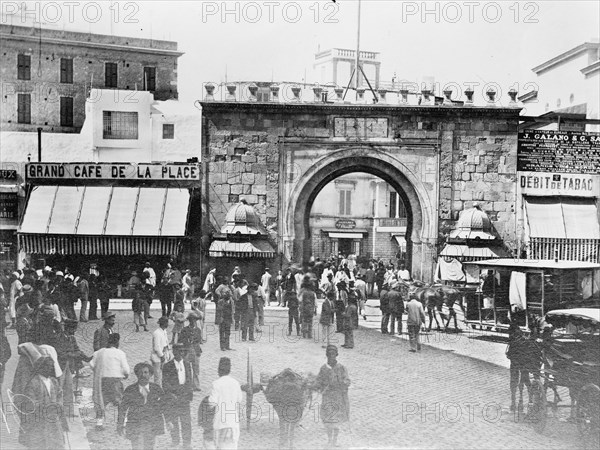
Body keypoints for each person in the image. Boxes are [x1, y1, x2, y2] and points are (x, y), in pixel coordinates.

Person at [20, 355, 68, 449]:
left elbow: (59, 395)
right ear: (41, 367)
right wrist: (45, 407)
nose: (50, 368)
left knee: (57, 443)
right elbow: (30, 402)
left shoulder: (53, 381)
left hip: (53, 419)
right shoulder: (33, 383)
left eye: (51, 366)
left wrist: (58, 405)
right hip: (38, 421)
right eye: (48, 366)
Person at [118, 362, 166, 449]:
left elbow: (164, 405)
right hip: (135, 423)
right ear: (137, 375)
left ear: (150, 374)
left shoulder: (156, 388)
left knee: (149, 446)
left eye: (145, 372)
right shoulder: (130, 389)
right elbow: (122, 408)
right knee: (136, 447)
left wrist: (169, 420)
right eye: (140, 373)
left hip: (151, 424)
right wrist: (120, 424)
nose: (143, 375)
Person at [312, 345, 351, 448]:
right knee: (329, 420)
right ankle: (329, 440)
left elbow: (347, 380)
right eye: (329, 354)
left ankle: (335, 440)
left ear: (336, 355)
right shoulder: (324, 368)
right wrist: (315, 386)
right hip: (327, 397)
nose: (331, 356)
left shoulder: (341, 368)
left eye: (333, 354)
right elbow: (318, 380)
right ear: (327, 355)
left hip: (338, 397)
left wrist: (340, 383)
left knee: (337, 420)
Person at [90, 333, 130, 430]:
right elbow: (126, 369)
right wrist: (126, 375)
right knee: (121, 402)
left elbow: (91, 364)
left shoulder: (99, 352)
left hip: (103, 381)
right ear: (117, 342)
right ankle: (121, 422)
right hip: (115, 381)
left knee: (102, 401)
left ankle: (99, 423)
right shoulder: (120, 353)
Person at [163, 343, 194, 449]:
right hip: (173, 396)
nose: (180, 353)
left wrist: (188, 393)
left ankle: (187, 442)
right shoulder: (167, 366)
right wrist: (171, 394)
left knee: (186, 421)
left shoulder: (187, 364)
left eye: (182, 351)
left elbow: (189, 379)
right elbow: (165, 382)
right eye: (178, 351)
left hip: (184, 396)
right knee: (174, 419)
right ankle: (175, 440)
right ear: (173, 352)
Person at [208, 357, 243, 449]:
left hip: (220, 423)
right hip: (233, 423)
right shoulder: (235, 383)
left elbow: (212, 403)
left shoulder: (216, 384)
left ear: (218, 369)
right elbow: (239, 399)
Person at [178, 311, 203, 391]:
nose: (193, 322)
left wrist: (195, 341)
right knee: (187, 369)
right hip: (187, 350)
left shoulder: (198, 330)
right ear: (189, 321)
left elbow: (199, 340)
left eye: (195, 320)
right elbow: (180, 340)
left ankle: (196, 385)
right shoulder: (184, 330)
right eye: (192, 320)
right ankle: (188, 385)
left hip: (195, 350)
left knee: (196, 369)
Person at [151, 316, 171, 386]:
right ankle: (157, 390)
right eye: (167, 323)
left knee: (164, 374)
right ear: (163, 323)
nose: (168, 324)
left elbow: (166, 342)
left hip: (165, 354)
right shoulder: (157, 333)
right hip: (157, 357)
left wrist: (168, 352)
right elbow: (157, 347)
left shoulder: (164, 331)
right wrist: (162, 356)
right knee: (157, 376)